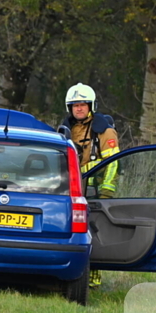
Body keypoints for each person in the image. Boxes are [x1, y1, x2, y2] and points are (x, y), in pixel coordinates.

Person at [61, 82, 120, 288]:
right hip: (70, 191)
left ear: (91, 106)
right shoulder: (65, 129)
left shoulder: (104, 130)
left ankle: (92, 277)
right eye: (75, 105)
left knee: (92, 232)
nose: (79, 108)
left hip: (94, 192)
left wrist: (106, 192)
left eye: (83, 104)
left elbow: (113, 163)